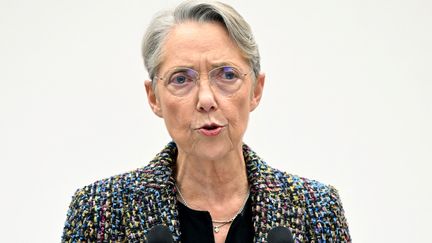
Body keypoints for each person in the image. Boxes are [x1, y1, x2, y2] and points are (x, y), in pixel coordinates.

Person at [62, 0, 351, 242]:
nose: (206, 99)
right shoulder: (99, 210)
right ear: (154, 98)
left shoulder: (316, 210)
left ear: (256, 90)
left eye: (227, 75)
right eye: (181, 79)